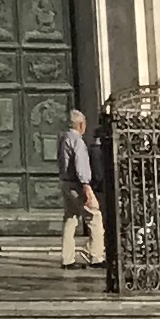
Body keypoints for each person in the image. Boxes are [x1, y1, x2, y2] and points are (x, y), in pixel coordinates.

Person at [57, 111, 103, 269]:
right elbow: (80, 164)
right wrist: (86, 187)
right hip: (77, 184)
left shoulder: (63, 138)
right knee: (94, 216)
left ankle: (67, 258)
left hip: (65, 182)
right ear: (81, 125)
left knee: (70, 220)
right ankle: (95, 254)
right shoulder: (78, 141)